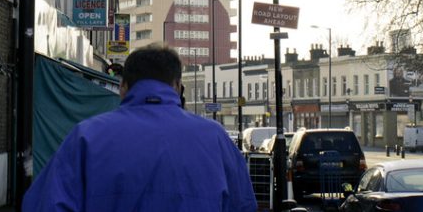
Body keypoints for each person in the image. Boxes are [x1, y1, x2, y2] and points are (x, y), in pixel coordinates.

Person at [22, 44, 257, 212]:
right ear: (178, 86)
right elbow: (244, 204)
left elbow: (46, 203)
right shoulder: (215, 138)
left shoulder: (86, 137)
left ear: (123, 87)